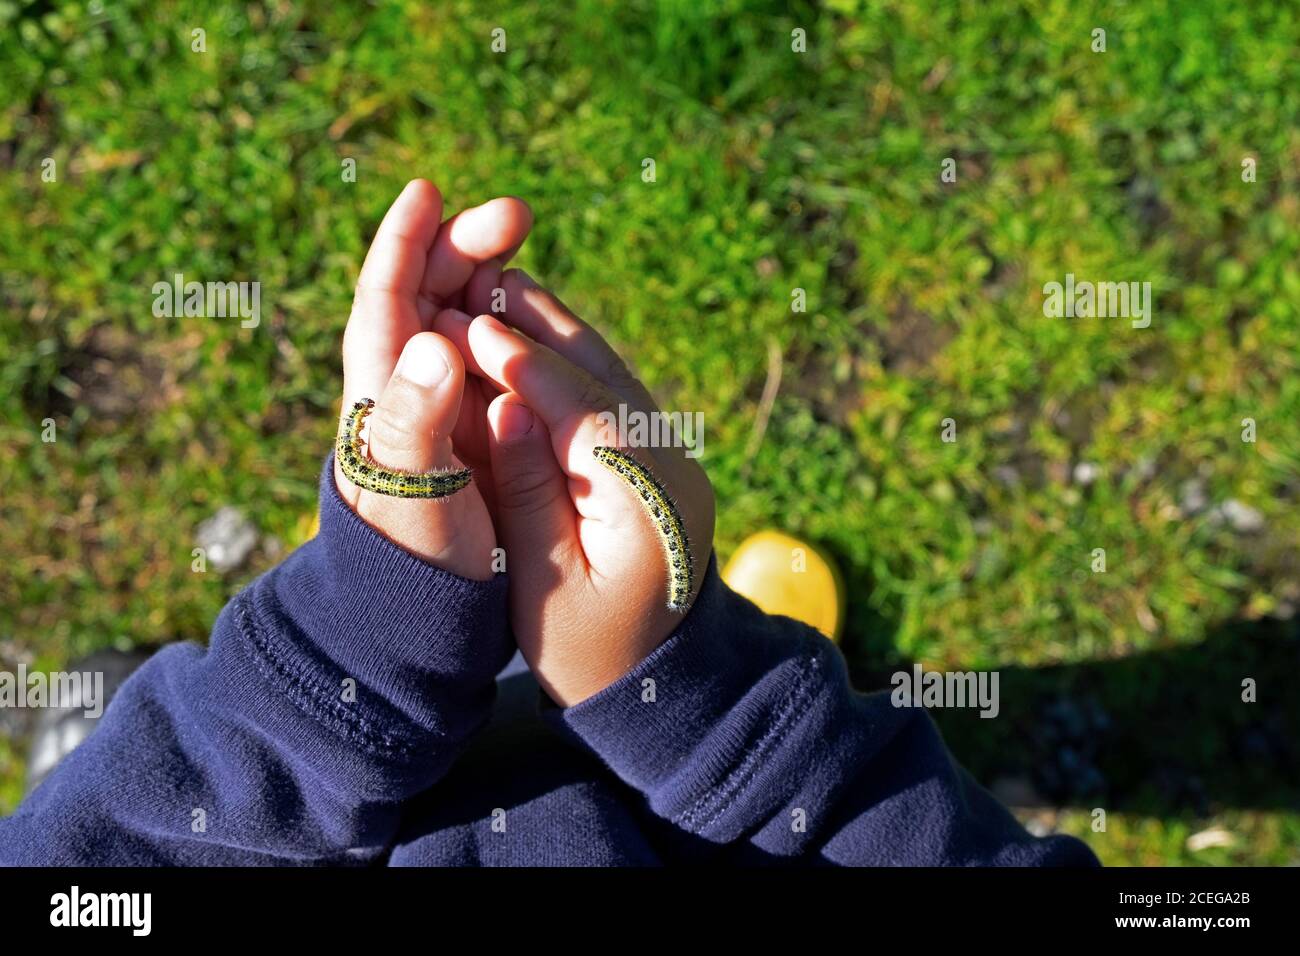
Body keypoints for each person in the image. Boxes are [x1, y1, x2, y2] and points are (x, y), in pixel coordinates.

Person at [1, 181, 1097, 866]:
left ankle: (147, 736)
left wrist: (357, 648)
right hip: (703, 818)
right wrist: (712, 702)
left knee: (146, 772)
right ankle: (687, 666)